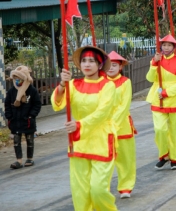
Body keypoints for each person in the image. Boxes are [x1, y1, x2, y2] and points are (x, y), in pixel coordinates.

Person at [51, 46, 118, 211]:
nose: (87, 64)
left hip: (102, 140)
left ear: (100, 64)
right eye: (83, 61)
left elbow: (103, 112)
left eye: (91, 61)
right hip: (79, 141)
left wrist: (79, 125)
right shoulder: (73, 84)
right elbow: (57, 104)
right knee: (80, 190)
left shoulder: (108, 86)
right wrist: (62, 84)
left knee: (98, 190)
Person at [146, 35, 176, 170]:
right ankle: (164, 155)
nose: (166, 48)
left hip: (174, 99)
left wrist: (167, 92)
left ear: (174, 47)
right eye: (164, 45)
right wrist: (154, 63)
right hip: (158, 100)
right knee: (160, 129)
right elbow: (150, 78)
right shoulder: (156, 60)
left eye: (169, 45)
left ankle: (175, 159)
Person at [106, 52, 137, 198]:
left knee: (125, 158)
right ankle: (103, 189)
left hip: (122, 125)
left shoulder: (125, 82)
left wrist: (113, 123)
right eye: (108, 65)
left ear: (120, 67)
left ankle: (126, 187)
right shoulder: (100, 82)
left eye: (114, 65)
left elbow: (124, 106)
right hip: (103, 126)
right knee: (104, 160)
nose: (111, 68)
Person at [5, 66, 41, 169]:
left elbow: (37, 104)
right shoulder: (12, 91)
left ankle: (30, 158)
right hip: (15, 120)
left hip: (28, 120)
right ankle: (18, 160)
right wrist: (9, 116)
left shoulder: (32, 90)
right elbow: (7, 104)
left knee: (30, 139)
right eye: (15, 78)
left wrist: (31, 115)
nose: (17, 80)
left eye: (19, 78)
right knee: (16, 141)